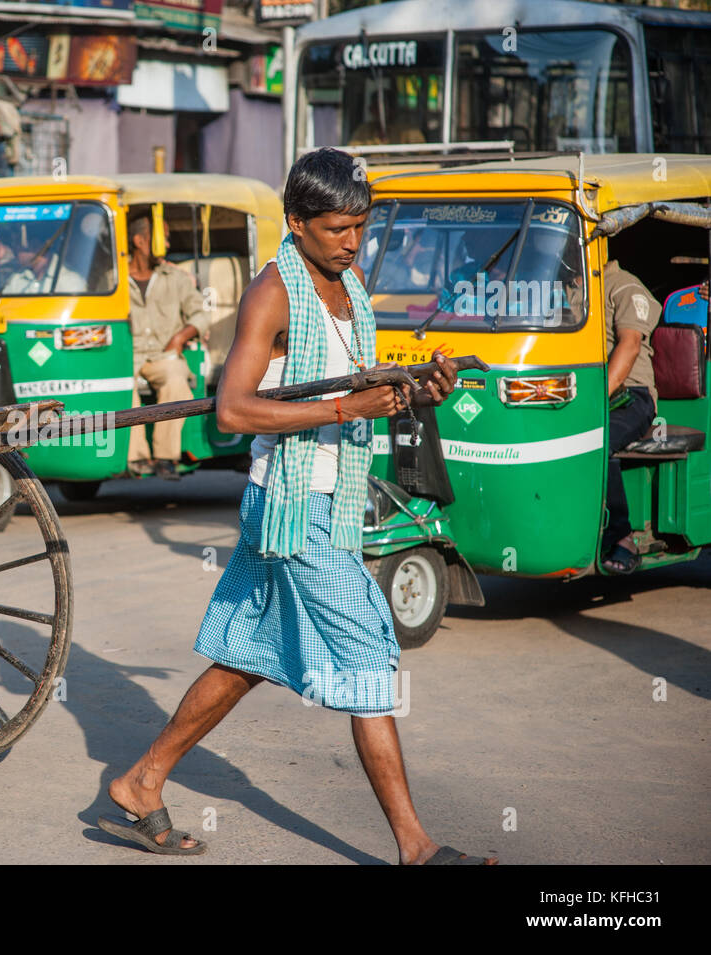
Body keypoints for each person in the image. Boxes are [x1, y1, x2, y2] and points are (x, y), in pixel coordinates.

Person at [97, 148, 491, 865]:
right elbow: (233, 410)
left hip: (324, 500)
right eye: (338, 228)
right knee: (370, 654)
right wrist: (347, 408)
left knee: (245, 657)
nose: (352, 241)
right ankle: (416, 848)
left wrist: (415, 390)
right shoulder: (273, 293)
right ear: (297, 222)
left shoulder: (349, 285)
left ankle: (140, 781)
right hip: (289, 504)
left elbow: (355, 379)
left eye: (361, 227)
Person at [125, 211, 212, 481]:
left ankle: (165, 457)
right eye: (161, 238)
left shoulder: (176, 278)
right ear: (140, 241)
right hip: (127, 357)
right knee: (123, 388)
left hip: (164, 356)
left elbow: (201, 314)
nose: (167, 244)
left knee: (176, 380)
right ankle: (137, 458)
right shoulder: (113, 280)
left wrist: (180, 337)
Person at [599, 260, 661, 574]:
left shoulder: (623, 286)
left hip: (630, 395)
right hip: (578, 392)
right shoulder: (564, 290)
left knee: (596, 440)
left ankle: (622, 537)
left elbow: (631, 344)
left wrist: (596, 400)